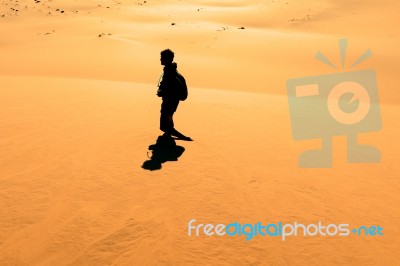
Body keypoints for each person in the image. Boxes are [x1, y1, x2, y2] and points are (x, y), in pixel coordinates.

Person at [157, 49, 192, 141]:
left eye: (162, 58)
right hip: (171, 101)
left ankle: (183, 138)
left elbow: (170, 89)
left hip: (170, 101)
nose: (160, 60)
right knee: (167, 123)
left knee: (164, 126)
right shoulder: (170, 72)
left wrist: (162, 92)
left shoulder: (170, 73)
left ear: (168, 59)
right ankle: (171, 139)